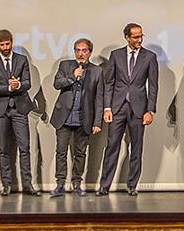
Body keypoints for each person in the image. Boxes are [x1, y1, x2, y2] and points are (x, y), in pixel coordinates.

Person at [99, 23, 159, 196]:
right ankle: (105, 186)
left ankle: (132, 185)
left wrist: (150, 110)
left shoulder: (149, 57)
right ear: (127, 37)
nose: (139, 40)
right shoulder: (116, 55)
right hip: (118, 107)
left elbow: (153, 86)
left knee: (137, 148)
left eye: (141, 36)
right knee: (112, 147)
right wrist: (107, 108)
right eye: (136, 37)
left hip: (139, 109)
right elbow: (109, 83)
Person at [48, 38, 104, 197]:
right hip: (64, 117)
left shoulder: (97, 71)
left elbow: (99, 98)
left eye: (84, 50)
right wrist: (72, 77)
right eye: (77, 50)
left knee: (80, 154)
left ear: (90, 52)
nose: (80, 54)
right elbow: (57, 84)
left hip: (84, 118)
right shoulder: (65, 66)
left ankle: (77, 184)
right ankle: (59, 184)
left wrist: (97, 121)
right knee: (61, 152)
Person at [0, 28, 36, 195]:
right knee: (3, 148)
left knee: (24, 147)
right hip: (1, 109)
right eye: (2, 44)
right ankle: (6, 185)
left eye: (8, 43)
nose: (5, 47)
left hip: (20, 108)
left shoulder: (21, 60)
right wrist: (8, 87)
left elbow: (28, 82)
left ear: (12, 42)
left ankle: (27, 185)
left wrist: (19, 85)